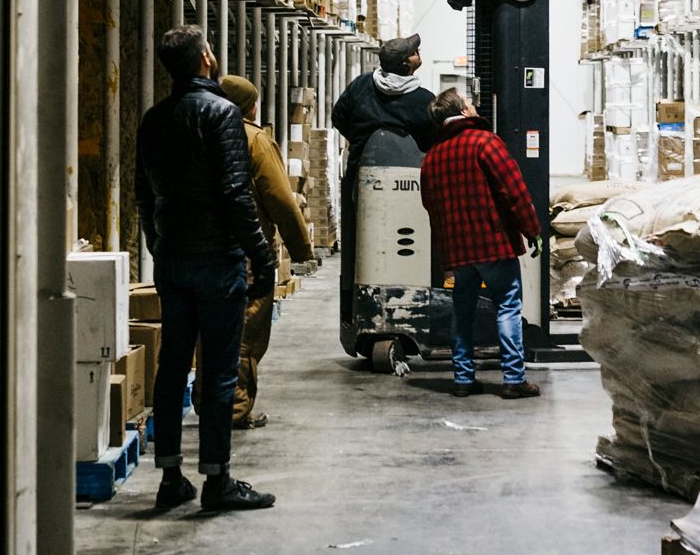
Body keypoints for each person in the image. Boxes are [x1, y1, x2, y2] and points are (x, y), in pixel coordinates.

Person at [135, 24, 277, 514]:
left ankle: (170, 477)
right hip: (217, 262)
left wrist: (160, 246)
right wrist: (260, 254)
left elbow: (143, 197)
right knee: (218, 370)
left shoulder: (153, 119)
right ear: (206, 60)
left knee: (172, 366)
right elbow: (237, 194)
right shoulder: (222, 114)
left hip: (172, 262)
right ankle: (217, 481)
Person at [418, 88, 542, 399]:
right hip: (493, 244)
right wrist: (532, 229)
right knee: (508, 306)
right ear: (462, 112)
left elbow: (429, 203)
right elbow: (513, 189)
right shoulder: (484, 142)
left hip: (459, 250)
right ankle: (513, 378)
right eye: (470, 103)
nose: (475, 106)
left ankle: (463, 378)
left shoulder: (432, 156)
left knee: (462, 310)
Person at [220, 74, 314, 430]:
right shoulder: (254, 139)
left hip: (203, 249)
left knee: (211, 330)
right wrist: (301, 248)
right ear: (251, 106)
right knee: (245, 333)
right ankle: (234, 409)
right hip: (248, 251)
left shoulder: (199, 131)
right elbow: (279, 199)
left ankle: (208, 400)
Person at [330, 34, 436, 333]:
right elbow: (432, 139)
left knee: (358, 241)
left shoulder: (362, 85)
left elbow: (338, 116)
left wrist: (361, 139)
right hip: (410, 184)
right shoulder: (423, 99)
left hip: (360, 176)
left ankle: (355, 308)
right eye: (416, 52)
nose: (419, 53)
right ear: (407, 63)